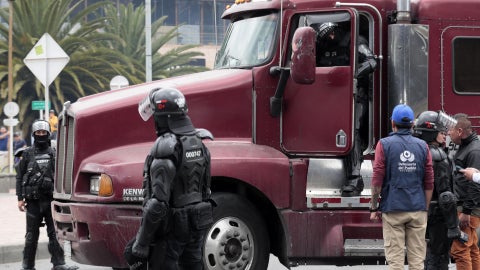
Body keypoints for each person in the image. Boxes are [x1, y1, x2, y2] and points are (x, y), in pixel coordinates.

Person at [125, 87, 214, 270]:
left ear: (162, 116)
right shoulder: (199, 141)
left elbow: (158, 203)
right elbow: (205, 190)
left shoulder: (167, 146)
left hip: (173, 226)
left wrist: (141, 243)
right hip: (198, 220)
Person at [314, 22, 378, 196]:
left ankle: (355, 177)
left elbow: (371, 62)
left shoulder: (354, 40)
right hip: (329, 95)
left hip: (355, 95)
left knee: (353, 130)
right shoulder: (321, 44)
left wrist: (352, 75)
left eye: (332, 34)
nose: (331, 38)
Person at [369, 104, 434, 270]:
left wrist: (374, 207)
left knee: (396, 263)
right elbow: (429, 181)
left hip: (393, 209)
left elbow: (377, 178)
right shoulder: (423, 146)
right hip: (417, 208)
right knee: (417, 262)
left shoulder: (384, 144)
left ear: (393, 123)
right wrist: (424, 208)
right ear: (413, 125)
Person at [15, 120, 77, 270]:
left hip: (51, 201)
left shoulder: (56, 152)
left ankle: (59, 264)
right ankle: (27, 266)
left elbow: (65, 174)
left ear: (48, 134)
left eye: (44, 132)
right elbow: (19, 176)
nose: (41, 135)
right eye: (38, 132)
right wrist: (19, 199)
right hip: (33, 202)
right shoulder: (27, 153)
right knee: (31, 236)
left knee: (55, 234)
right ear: (34, 134)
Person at [413, 110, 466, 269]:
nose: (445, 134)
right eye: (441, 132)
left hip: (419, 211)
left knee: (427, 255)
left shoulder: (415, 152)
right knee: (439, 256)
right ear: (432, 133)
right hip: (437, 216)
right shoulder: (438, 156)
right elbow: (445, 196)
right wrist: (452, 226)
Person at [448, 113, 480, 270]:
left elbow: (475, 184)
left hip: (467, 209)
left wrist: (466, 211)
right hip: (468, 207)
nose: (448, 133)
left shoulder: (473, 151)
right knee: (472, 248)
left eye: (450, 130)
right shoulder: (468, 146)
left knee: (460, 250)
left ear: (459, 131)